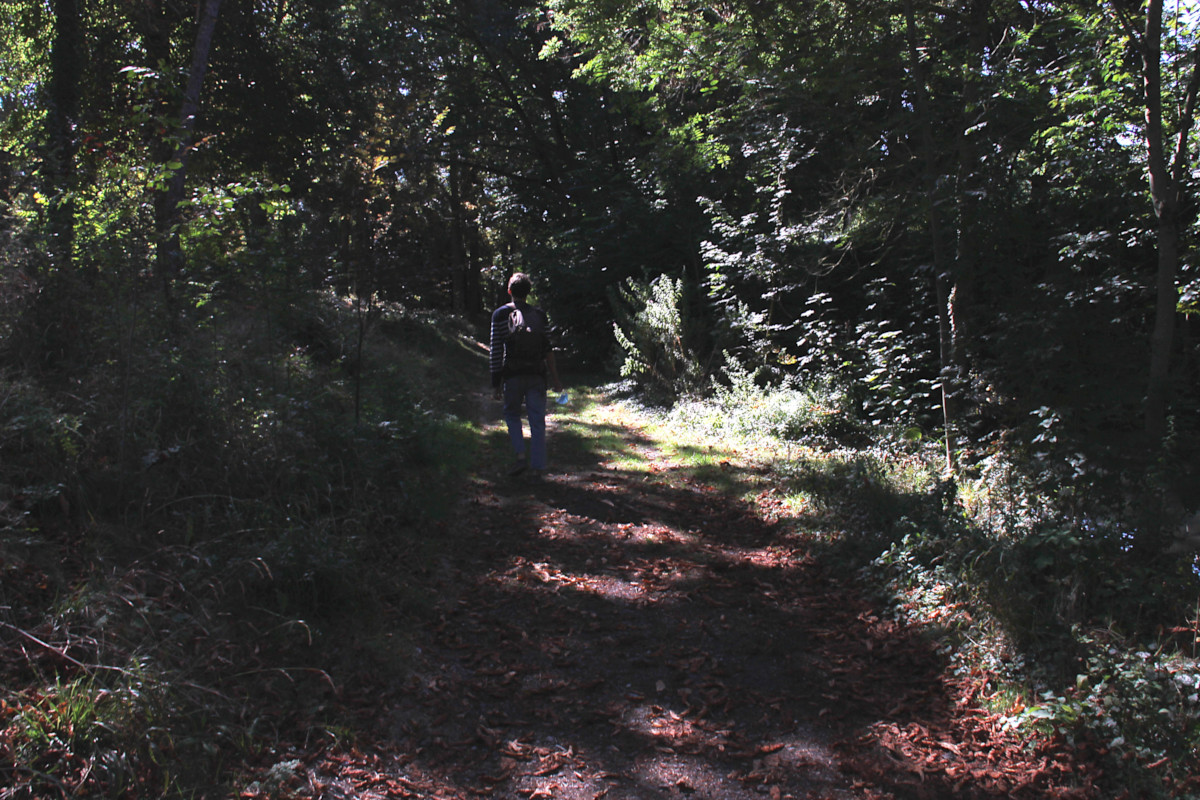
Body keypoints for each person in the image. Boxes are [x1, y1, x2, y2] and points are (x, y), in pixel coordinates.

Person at [489, 272, 563, 477]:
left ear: (509, 291)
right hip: (537, 375)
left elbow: (496, 350)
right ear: (529, 292)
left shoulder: (500, 315)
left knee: (512, 415)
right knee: (537, 419)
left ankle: (521, 457)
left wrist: (495, 382)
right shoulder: (540, 316)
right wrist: (555, 379)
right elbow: (548, 349)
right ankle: (538, 467)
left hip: (512, 375)